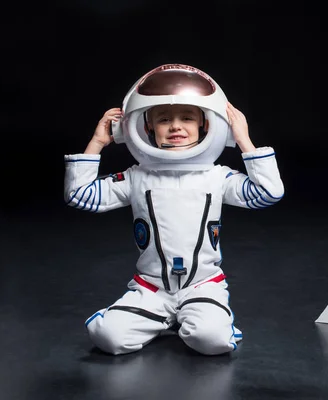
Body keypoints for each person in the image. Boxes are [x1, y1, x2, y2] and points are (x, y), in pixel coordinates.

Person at [63, 64, 284, 356]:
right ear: (146, 128)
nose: (176, 126)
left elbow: (268, 193)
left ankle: (197, 318)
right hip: (151, 288)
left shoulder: (217, 177)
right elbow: (80, 195)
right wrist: (98, 142)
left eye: (187, 118)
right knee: (109, 338)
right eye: (164, 119)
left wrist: (243, 139)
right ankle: (164, 316)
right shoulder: (136, 177)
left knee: (213, 341)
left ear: (207, 125)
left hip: (203, 286)